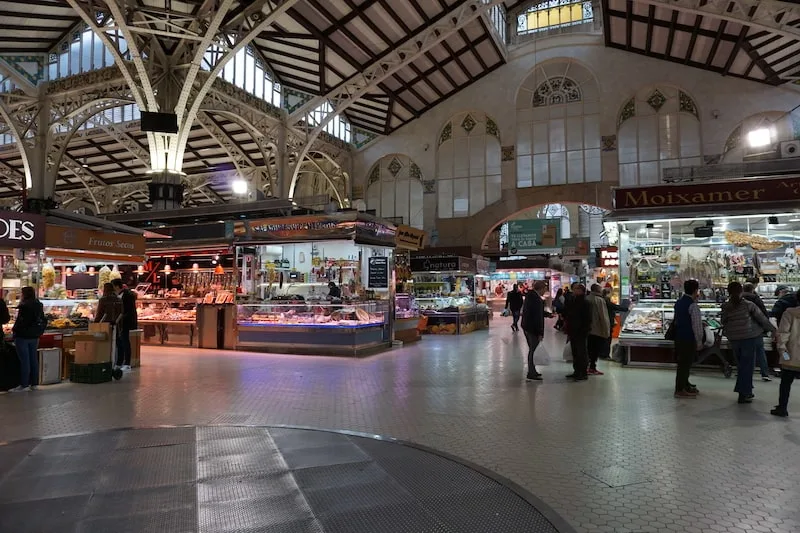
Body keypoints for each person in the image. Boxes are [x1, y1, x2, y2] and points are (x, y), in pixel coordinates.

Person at [722, 281, 776, 404]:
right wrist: (773, 330)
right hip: (749, 337)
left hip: (733, 338)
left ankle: (745, 391)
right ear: (741, 291)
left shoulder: (726, 306)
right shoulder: (748, 305)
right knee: (747, 366)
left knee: (742, 366)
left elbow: (723, 321)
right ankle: (744, 393)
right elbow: (762, 319)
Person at [10, 286, 46, 392]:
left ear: (24, 294)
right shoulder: (38, 304)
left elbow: (21, 322)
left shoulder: (24, 306)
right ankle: (34, 383)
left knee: (24, 361)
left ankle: (24, 384)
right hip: (34, 335)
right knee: (33, 359)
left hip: (23, 336)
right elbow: (42, 319)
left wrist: (15, 330)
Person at [673, 280, 703, 398]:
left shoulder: (679, 302)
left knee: (683, 363)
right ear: (696, 290)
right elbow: (696, 325)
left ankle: (685, 384)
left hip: (679, 336)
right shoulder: (693, 305)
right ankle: (680, 389)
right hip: (688, 338)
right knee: (685, 364)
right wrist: (699, 341)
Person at [521, 281, 551, 381]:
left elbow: (535, 312)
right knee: (533, 350)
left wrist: (546, 314)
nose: (545, 291)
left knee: (532, 349)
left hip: (527, 326)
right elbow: (537, 317)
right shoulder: (536, 299)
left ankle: (532, 370)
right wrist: (540, 332)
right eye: (544, 289)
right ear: (541, 288)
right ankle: (531, 372)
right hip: (532, 328)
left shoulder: (530, 296)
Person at [773, 307, 800, 417]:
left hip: (791, 356)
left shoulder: (789, 313)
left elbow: (783, 334)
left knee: (785, 383)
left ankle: (782, 408)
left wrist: (784, 353)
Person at [743, 282, 772, 382]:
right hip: (756, 329)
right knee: (760, 350)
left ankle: (743, 372)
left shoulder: (737, 299)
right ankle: (764, 373)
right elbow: (763, 314)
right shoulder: (756, 299)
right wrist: (769, 328)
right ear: (752, 290)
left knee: (745, 352)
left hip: (742, 330)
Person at [564, 283, 590, 381]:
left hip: (580, 331)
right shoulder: (573, 300)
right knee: (575, 352)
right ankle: (576, 371)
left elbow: (587, 318)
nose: (573, 291)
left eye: (575, 289)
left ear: (581, 290)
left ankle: (583, 372)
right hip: (573, 330)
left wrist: (584, 329)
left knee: (581, 352)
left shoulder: (584, 302)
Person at [112, 279, 137, 372]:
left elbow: (129, 311)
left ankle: (127, 363)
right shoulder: (117, 295)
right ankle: (119, 362)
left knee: (125, 341)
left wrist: (121, 318)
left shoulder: (128, 295)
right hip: (119, 322)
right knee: (119, 342)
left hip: (125, 322)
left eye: (113, 286)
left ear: (117, 286)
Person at [586, 284, 611, 375]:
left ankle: (587, 367)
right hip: (597, 329)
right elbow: (603, 316)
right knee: (595, 349)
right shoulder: (599, 300)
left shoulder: (587, 298)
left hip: (588, 329)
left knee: (589, 348)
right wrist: (606, 330)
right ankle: (592, 367)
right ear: (598, 290)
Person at [602, 287, 628, 360]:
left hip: (606, 321)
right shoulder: (606, 301)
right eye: (611, 293)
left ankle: (603, 354)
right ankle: (605, 355)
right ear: (608, 293)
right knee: (607, 339)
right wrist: (626, 308)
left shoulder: (604, 300)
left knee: (606, 338)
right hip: (607, 321)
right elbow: (615, 307)